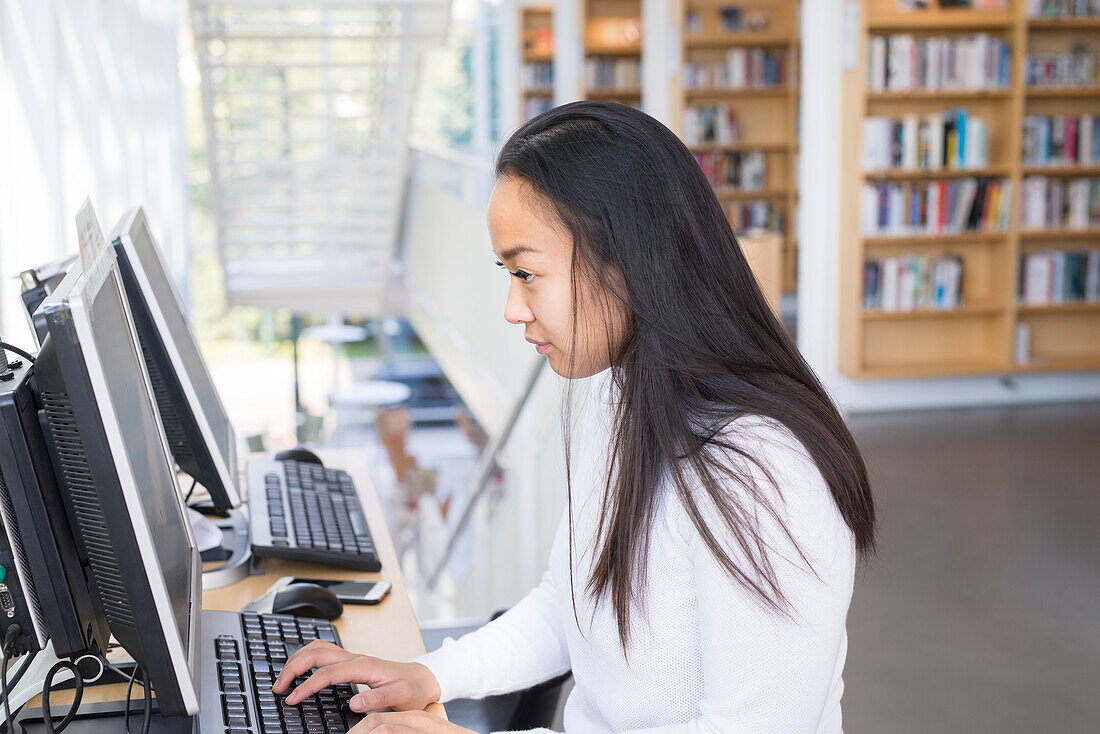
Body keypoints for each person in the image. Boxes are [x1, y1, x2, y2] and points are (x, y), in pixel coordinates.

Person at [272, 101, 875, 733]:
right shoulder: (622, 392)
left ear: (626, 263)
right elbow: (565, 615)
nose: (513, 307)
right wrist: (425, 675)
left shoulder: (760, 471)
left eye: (528, 273)